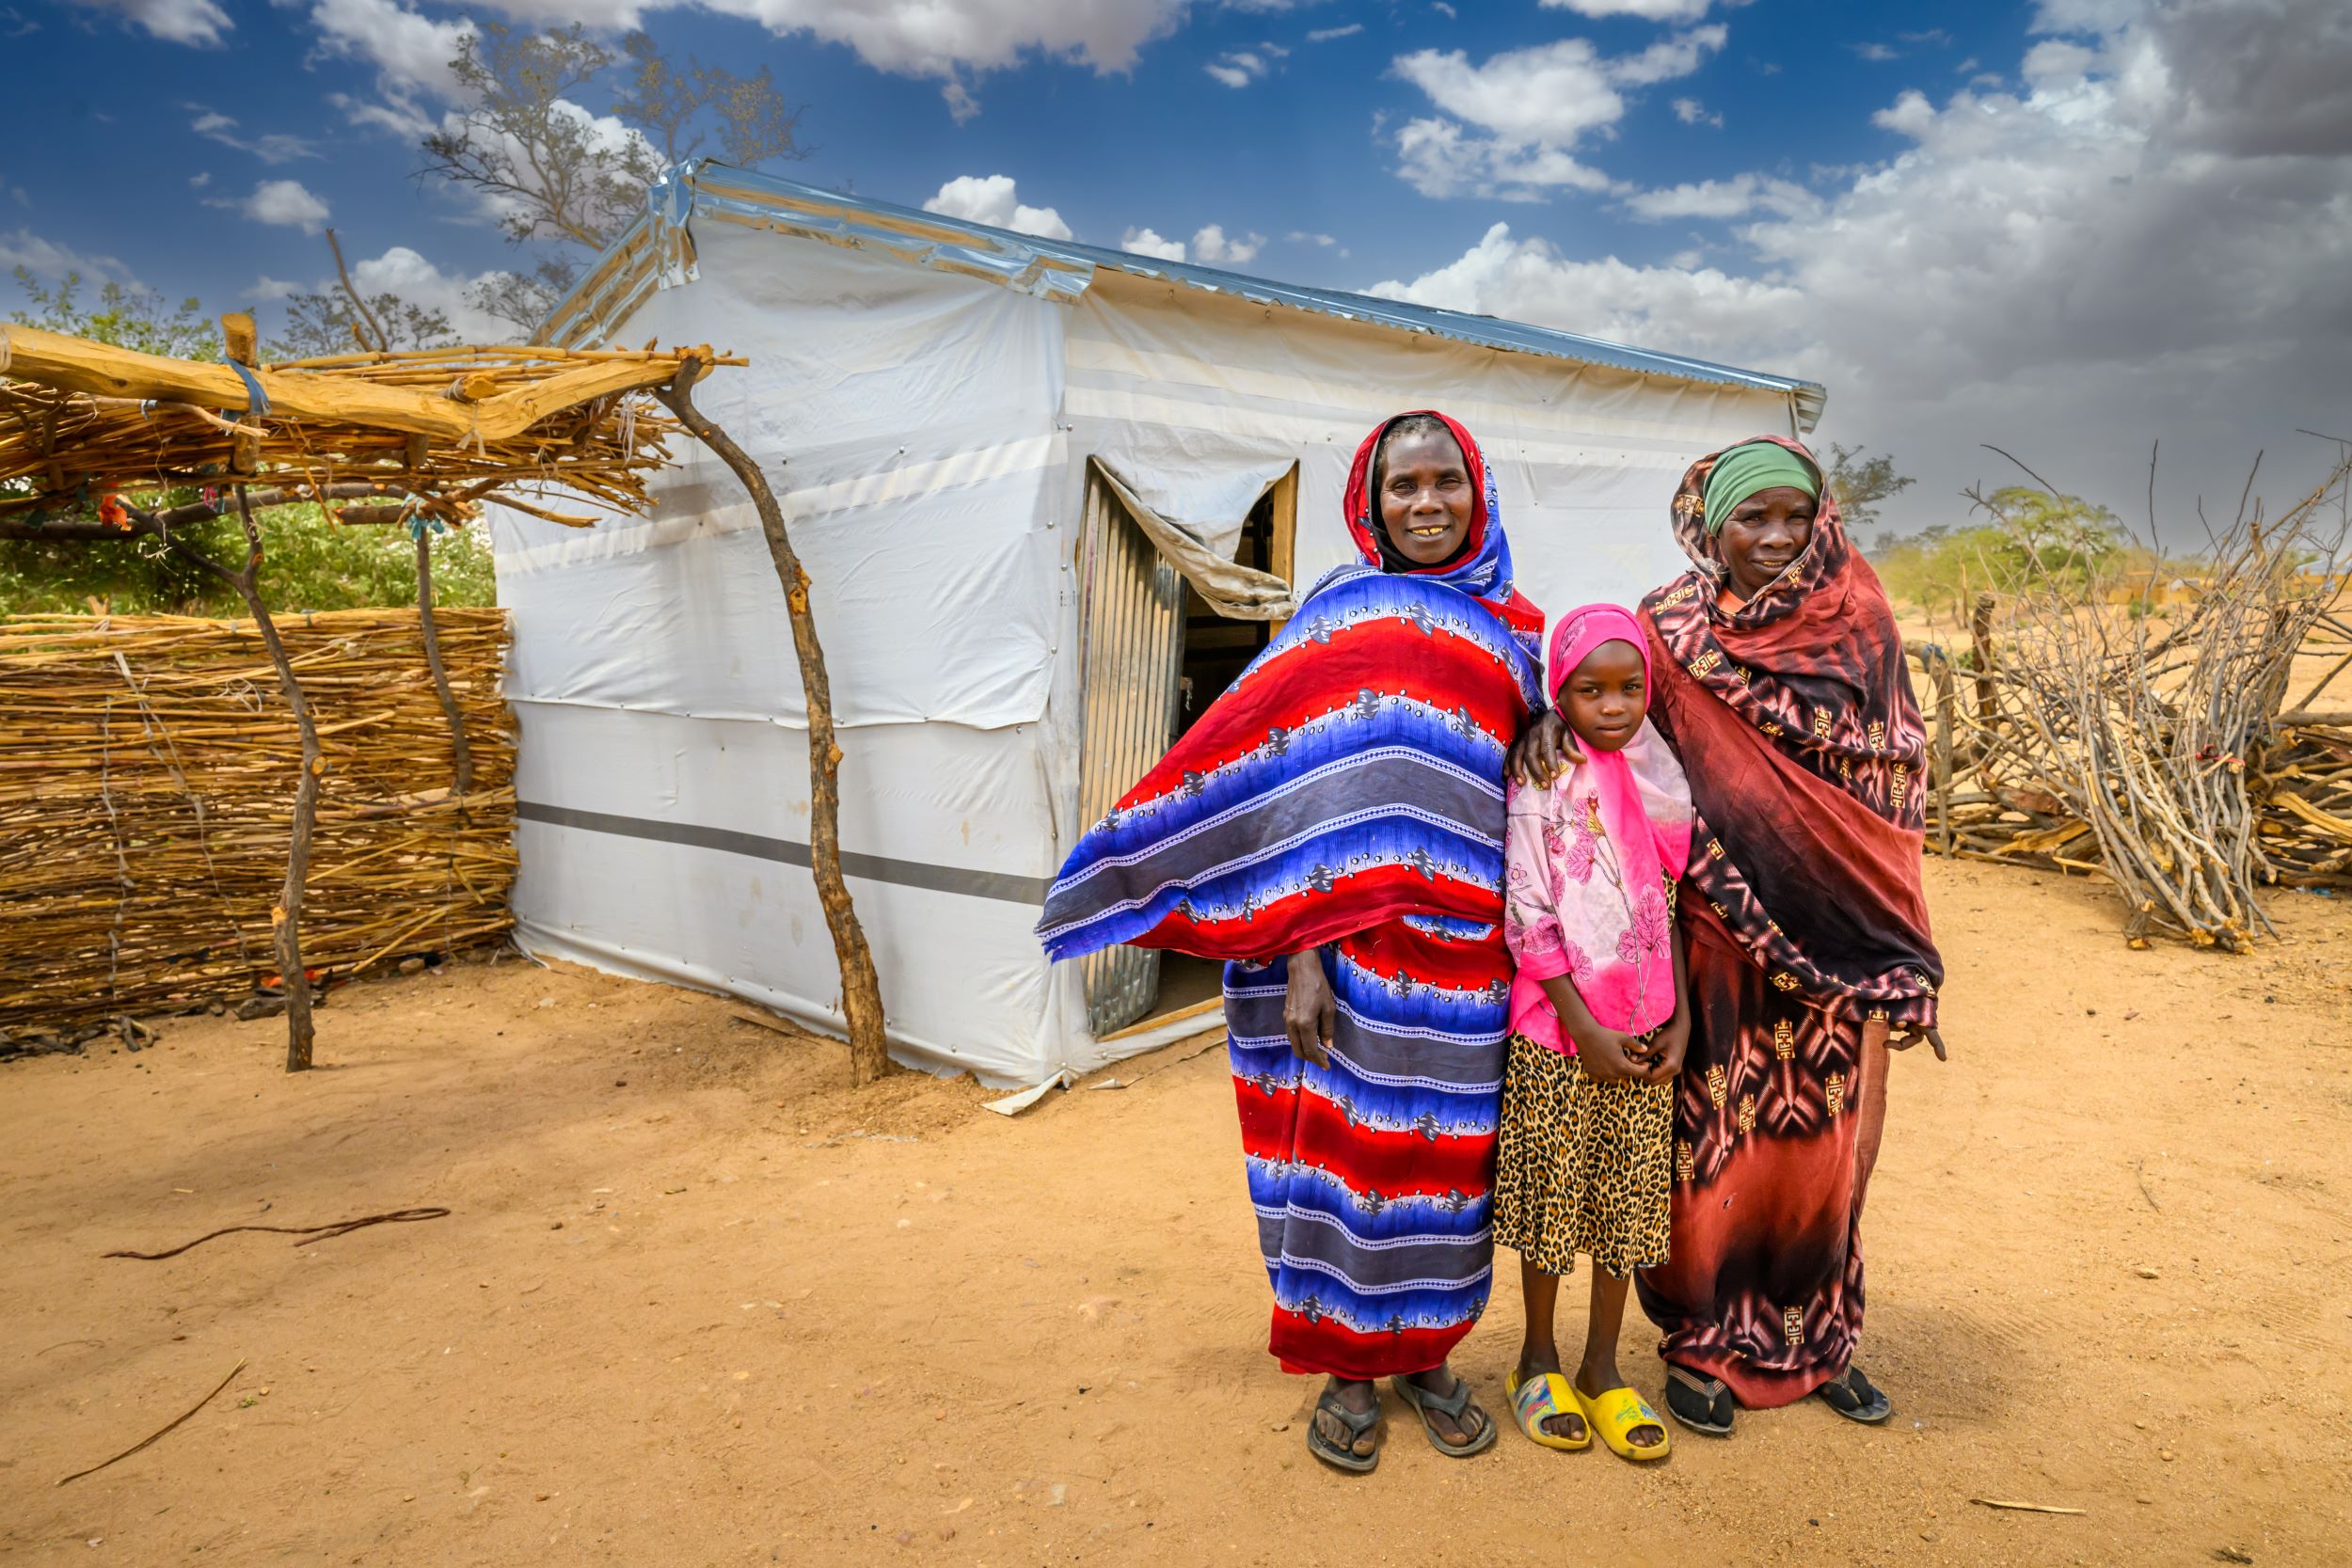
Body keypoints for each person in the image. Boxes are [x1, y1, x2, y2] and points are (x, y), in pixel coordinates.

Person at [1038, 412, 1548, 1474]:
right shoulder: (1335, 613)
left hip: (1466, 963)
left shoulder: (1521, 633)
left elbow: (1539, 787)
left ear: (1478, 489)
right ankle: (1349, 1370)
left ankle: (1427, 1356)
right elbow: (1278, 784)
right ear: (1369, 499)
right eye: (1401, 485)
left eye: (1445, 481)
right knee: (1341, 1164)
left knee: (1447, 1170)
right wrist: (1300, 954)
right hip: (1342, 957)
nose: (1425, 503)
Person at [1623, 436, 1949, 1434]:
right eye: (1748, 516)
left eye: (1792, 516)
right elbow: (1624, 750)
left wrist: (1893, 942)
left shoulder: (1861, 619)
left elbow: (1893, 790)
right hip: (1715, 928)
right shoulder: (1667, 626)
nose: (1772, 536)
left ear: (1821, 520)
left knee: (1821, 1151)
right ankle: (1705, 1338)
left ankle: (1819, 1336)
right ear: (1707, 524)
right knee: (1714, 1141)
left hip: (1838, 937)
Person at [1494, 605, 1691, 1463]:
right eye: (1589, 689)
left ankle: (1605, 1367)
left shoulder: (1660, 776)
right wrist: (1581, 1022)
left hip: (1645, 1031)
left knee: (1625, 1200)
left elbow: (1666, 903)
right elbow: (1528, 908)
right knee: (1552, 1199)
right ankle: (1536, 1358)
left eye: (1628, 687)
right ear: (1557, 692)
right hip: (1561, 1030)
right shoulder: (1541, 778)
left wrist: (1679, 1014)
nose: (1613, 706)